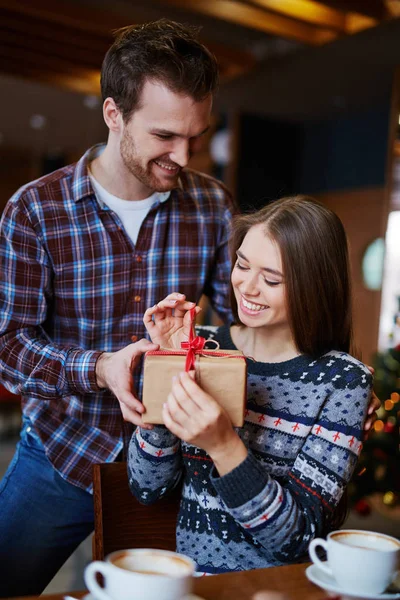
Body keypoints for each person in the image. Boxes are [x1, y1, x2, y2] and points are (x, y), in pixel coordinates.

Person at [0, 20, 235, 597]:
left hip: (172, 465)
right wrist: (100, 368)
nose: (182, 156)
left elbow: (238, 326)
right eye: (164, 136)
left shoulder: (213, 205)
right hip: (62, 452)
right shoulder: (34, 211)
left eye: (196, 136)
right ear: (113, 114)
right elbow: (7, 348)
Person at [127, 196, 374, 575]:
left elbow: (296, 540)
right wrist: (168, 370)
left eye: (272, 279)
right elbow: (147, 487)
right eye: (242, 264)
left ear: (315, 286)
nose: (248, 286)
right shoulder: (201, 344)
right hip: (192, 585)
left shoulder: (342, 382)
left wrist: (223, 446)